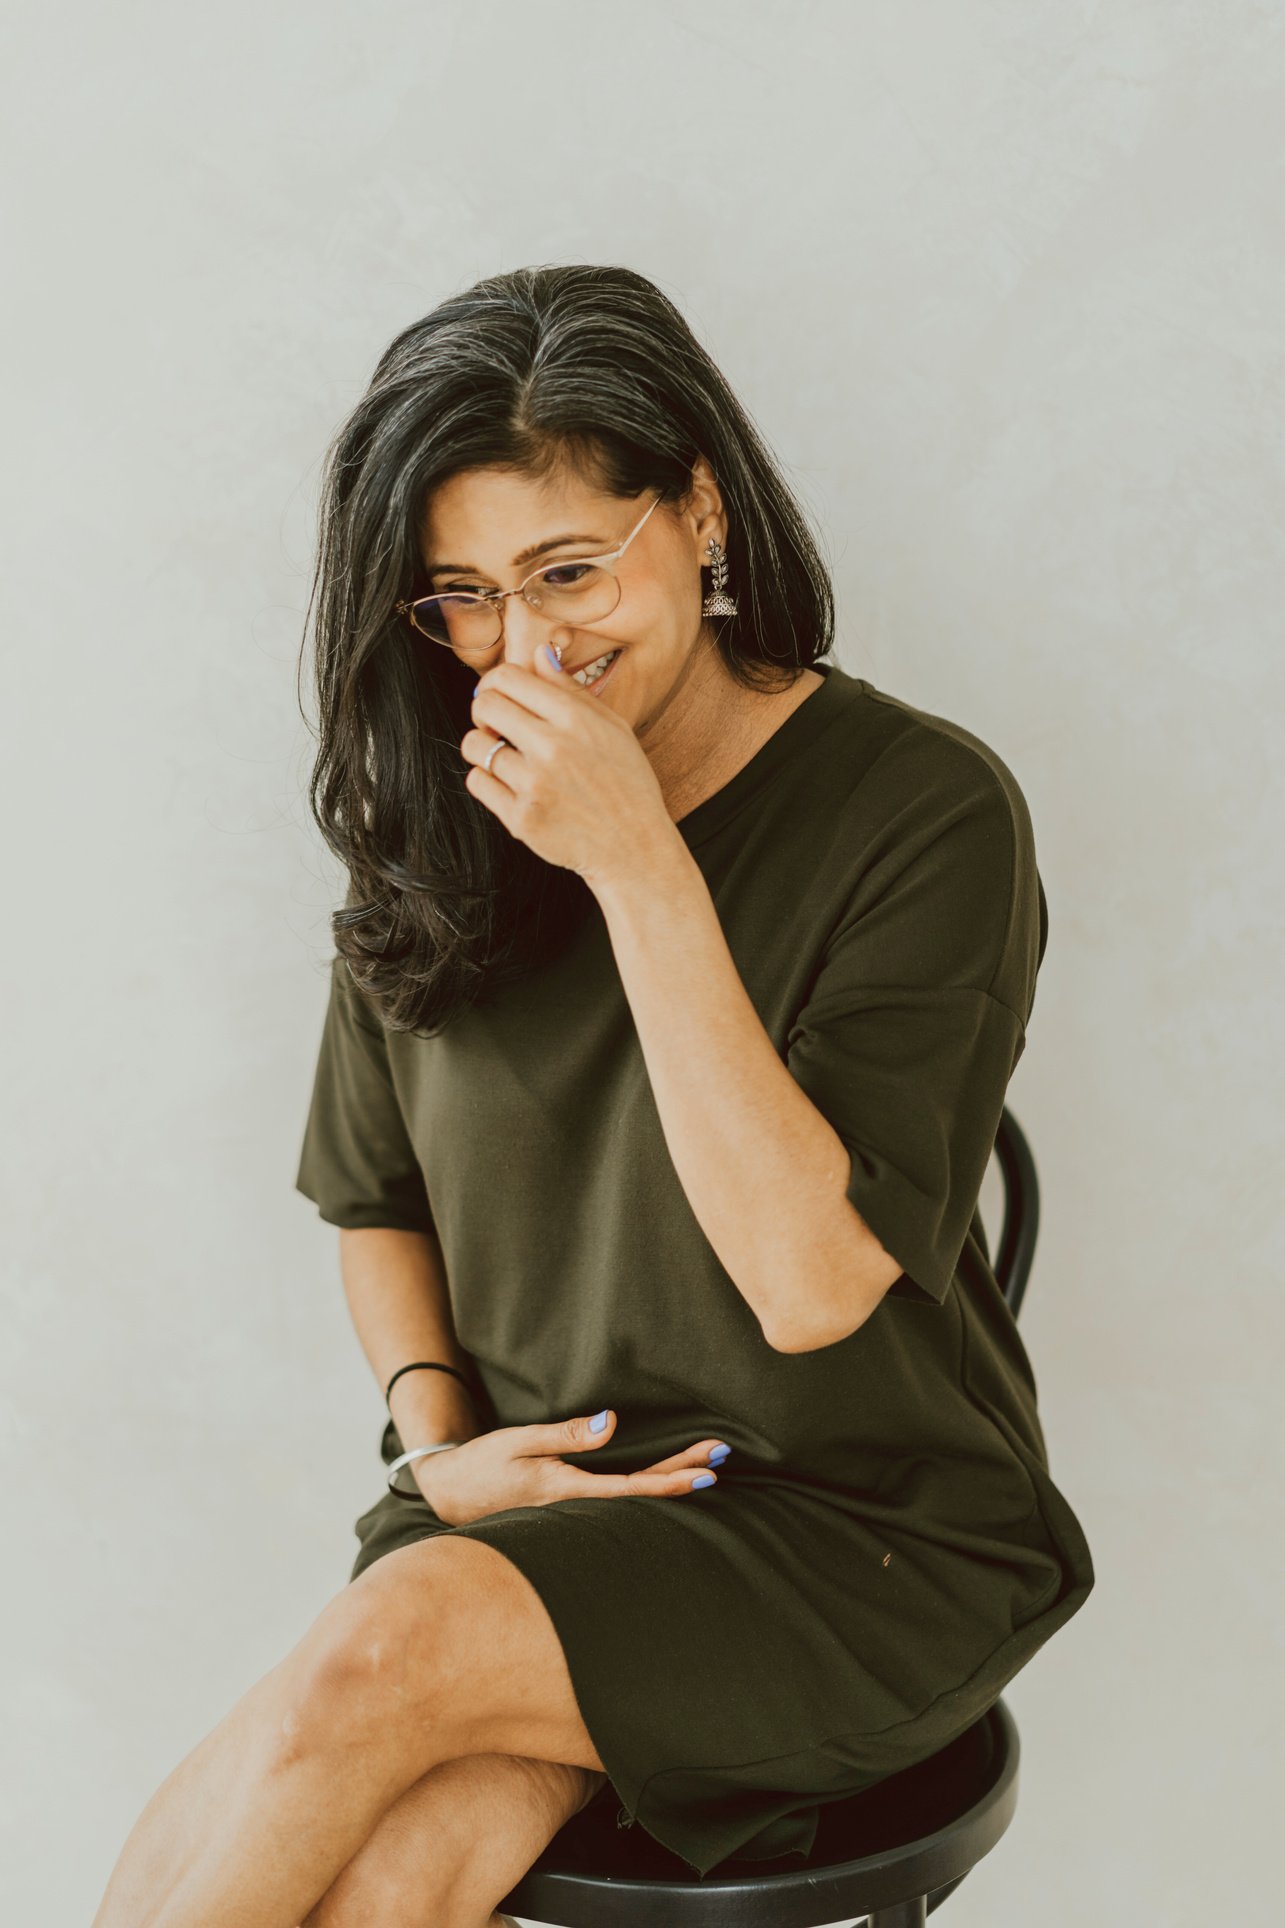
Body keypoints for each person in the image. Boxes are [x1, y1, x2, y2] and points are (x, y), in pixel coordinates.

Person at [92, 262, 1094, 1926]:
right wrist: (442, 1441)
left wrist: (638, 868)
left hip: (850, 1533)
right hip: (538, 1517)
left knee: (366, 1661)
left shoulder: (922, 809)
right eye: (462, 596)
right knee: (394, 1864)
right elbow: (375, 1199)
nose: (524, 647)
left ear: (698, 514)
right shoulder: (439, 799)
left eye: (570, 569)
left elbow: (809, 1282)